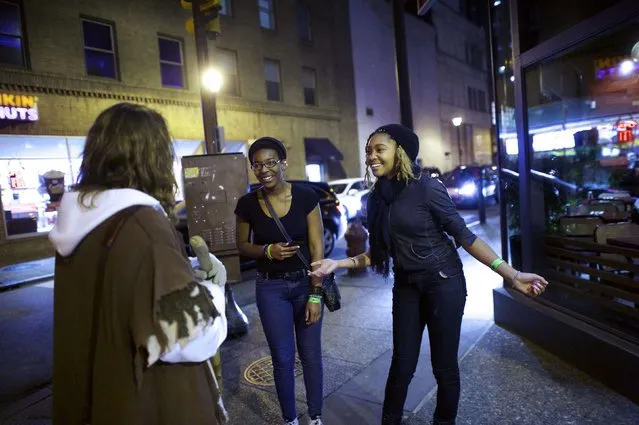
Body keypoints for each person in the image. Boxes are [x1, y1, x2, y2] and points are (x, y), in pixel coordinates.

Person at [309, 124, 549, 425]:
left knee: (444, 366)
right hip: (407, 286)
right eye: (368, 151)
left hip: (443, 284)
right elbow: (379, 254)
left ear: (401, 152)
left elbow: (465, 236)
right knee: (402, 364)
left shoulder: (427, 187)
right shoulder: (377, 198)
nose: (371, 156)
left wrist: (511, 274)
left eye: (379, 149)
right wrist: (336, 264)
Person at [49, 103, 228, 425]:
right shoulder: (144, 226)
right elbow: (191, 338)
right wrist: (212, 290)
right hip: (152, 405)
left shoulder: (81, 227)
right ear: (155, 159)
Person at [234, 137, 325, 425]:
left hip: (304, 283)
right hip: (270, 287)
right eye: (257, 165)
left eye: (270, 162)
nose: (264, 170)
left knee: (310, 356)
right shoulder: (247, 203)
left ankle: (315, 416)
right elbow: (241, 244)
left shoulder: (307, 197)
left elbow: (317, 247)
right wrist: (266, 250)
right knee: (283, 359)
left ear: (283, 162)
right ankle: (290, 419)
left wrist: (315, 294)